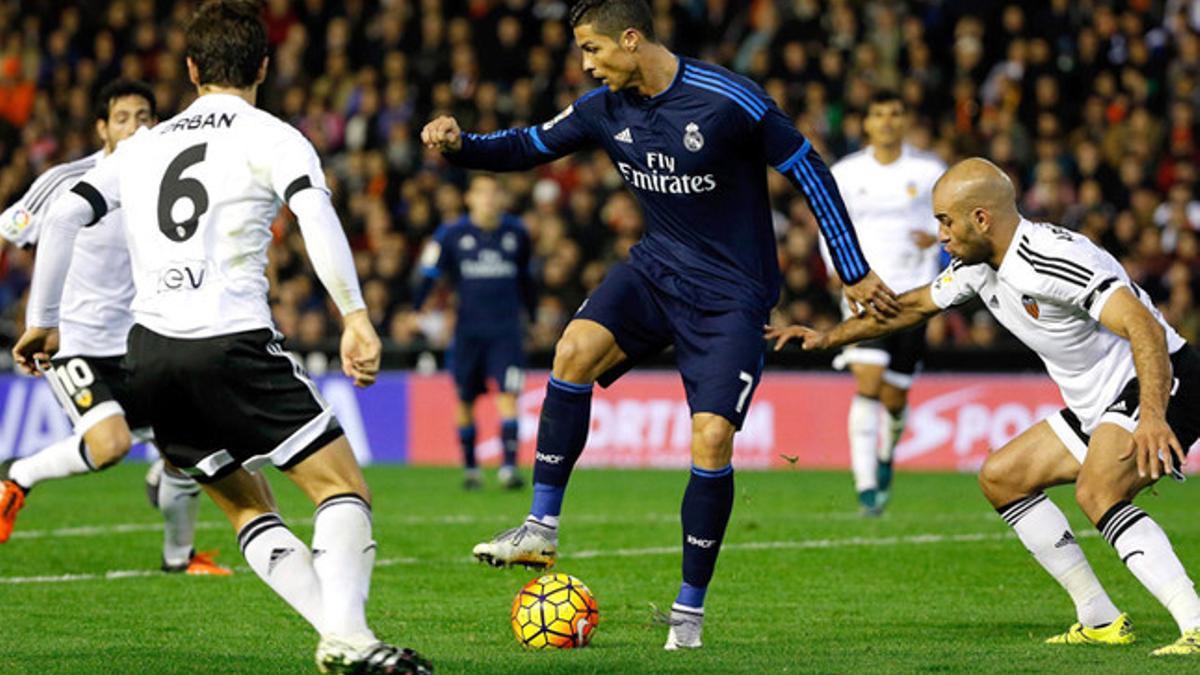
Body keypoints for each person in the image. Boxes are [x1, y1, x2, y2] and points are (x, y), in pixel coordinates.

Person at [420, 0, 896, 650]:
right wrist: (462, 146)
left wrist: (851, 267)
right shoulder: (601, 108)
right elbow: (530, 145)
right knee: (573, 349)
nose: (586, 64)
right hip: (655, 270)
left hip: (732, 296)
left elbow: (808, 169)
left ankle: (688, 615)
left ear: (631, 39)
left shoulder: (727, 99)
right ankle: (540, 525)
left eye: (592, 49)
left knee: (710, 441)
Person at [13, 2, 431, 672]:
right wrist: (354, 314)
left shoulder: (143, 145)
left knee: (246, 506)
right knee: (341, 488)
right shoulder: (274, 136)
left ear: (190, 68)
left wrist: (43, 318)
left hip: (148, 354)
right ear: (264, 65)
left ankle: (347, 639)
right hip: (231, 340)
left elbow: (62, 215)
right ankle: (349, 634)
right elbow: (315, 215)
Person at [768, 157, 1200, 656]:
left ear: (981, 219)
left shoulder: (1050, 258)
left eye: (945, 220)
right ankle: (1099, 618)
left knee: (1098, 491)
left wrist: (1150, 415)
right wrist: (827, 338)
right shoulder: (977, 268)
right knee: (1002, 477)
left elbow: (1143, 325)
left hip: (1163, 380)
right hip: (1098, 403)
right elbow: (911, 308)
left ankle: (1193, 623)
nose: (940, 233)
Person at [0, 79, 231, 576]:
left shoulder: (168, 181)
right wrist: (40, 320)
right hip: (75, 345)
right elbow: (8, 231)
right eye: (123, 118)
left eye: (145, 116)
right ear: (102, 127)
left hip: (141, 345)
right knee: (111, 446)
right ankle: (17, 475)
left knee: (190, 450)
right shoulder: (68, 181)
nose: (136, 127)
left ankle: (179, 559)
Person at [824, 90, 945, 515]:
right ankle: (866, 487)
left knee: (894, 399)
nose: (887, 121)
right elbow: (829, 223)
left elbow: (954, 220)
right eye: (879, 114)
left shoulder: (929, 171)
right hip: (865, 291)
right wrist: (837, 271)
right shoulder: (846, 172)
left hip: (916, 293)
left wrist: (938, 238)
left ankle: (887, 453)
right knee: (868, 383)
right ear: (867, 124)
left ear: (905, 120)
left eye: (895, 113)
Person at [414, 174, 535, 491]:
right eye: (482, 193)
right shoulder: (452, 233)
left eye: (495, 193)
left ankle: (509, 468)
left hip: (506, 330)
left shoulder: (517, 232)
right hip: (468, 330)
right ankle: (471, 468)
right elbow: (429, 272)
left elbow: (526, 279)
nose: (489, 200)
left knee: (509, 395)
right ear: (469, 198)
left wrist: (532, 316)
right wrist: (417, 306)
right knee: (465, 399)